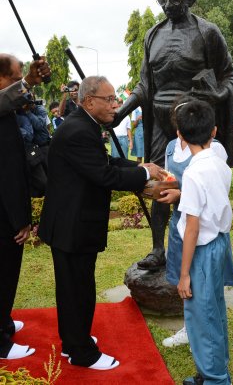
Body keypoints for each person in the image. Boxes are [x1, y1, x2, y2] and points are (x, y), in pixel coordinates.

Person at [113, 0, 233, 270]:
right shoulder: (152, 35)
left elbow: (231, 77)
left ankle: (197, 244)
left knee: (195, 183)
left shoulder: (207, 33)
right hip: (158, 119)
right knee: (158, 181)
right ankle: (158, 249)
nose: (168, 4)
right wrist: (120, 113)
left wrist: (219, 93)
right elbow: (144, 85)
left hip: (193, 123)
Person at [38, 76, 164, 371]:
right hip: (72, 226)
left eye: (114, 99)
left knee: (74, 287)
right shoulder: (79, 131)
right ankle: (82, 352)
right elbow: (105, 176)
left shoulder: (84, 125)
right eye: (109, 99)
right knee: (76, 289)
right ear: (89, 101)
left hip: (72, 223)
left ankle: (74, 340)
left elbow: (106, 162)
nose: (115, 104)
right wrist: (144, 176)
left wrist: (142, 166)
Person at [158, 96, 233, 350]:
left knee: (199, 288)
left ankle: (205, 345)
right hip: (182, 221)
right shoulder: (172, 148)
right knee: (195, 289)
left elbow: (211, 194)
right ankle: (197, 328)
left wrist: (181, 194)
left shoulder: (213, 153)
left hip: (200, 229)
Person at [0, 53, 50, 360]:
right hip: (3, 212)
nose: (21, 84)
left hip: (10, 206)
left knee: (8, 272)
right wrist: (20, 219)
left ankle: (3, 322)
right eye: (15, 77)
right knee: (3, 273)